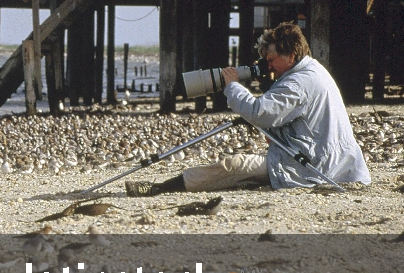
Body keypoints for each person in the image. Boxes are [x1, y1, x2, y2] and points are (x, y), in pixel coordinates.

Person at [126, 22, 371, 196]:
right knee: (243, 170)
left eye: (272, 59)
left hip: (312, 165)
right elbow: (297, 118)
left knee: (233, 165)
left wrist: (233, 86)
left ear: (291, 54)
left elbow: (259, 113)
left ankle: (161, 188)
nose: (269, 66)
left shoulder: (299, 82)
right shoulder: (312, 70)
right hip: (332, 159)